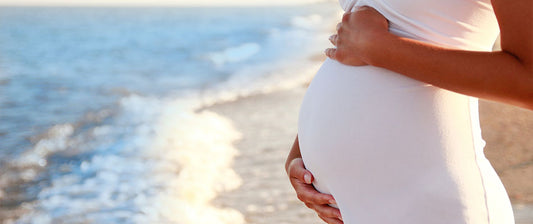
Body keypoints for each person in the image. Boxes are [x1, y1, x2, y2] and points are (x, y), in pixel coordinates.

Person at [285, 0, 532, 223]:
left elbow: (527, 80)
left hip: (436, 204)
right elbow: (353, 40)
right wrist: (301, 153)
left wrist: (379, 48)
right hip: (355, 210)